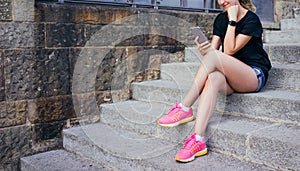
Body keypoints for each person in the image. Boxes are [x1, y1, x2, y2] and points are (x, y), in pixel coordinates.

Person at [157, 0, 272, 163]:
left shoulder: (251, 20)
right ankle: (198, 139)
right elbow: (213, 52)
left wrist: (232, 20)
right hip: (230, 75)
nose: (221, 2)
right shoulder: (220, 19)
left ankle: (185, 107)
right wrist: (205, 49)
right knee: (213, 77)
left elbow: (230, 49)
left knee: (215, 58)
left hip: (253, 74)